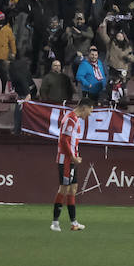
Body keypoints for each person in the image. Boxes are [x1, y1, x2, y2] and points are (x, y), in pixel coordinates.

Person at [51, 98, 94, 232]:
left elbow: (71, 141)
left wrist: (75, 156)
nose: (90, 114)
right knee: (64, 189)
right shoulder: (70, 119)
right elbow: (64, 140)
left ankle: (74, 223)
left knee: (73, 188)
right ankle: (55, 223)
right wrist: (72, 157)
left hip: (71, 160)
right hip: (66, 160)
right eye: (90, 111)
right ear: (84, 108)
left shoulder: (75, 119)